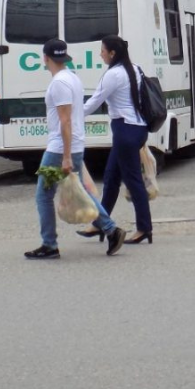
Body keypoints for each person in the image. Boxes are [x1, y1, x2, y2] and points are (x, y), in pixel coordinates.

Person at [25, 38, 124, 260]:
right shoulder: (72, 78)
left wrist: (66, 156)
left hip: (60, 148)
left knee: (43, 196)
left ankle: (49, 244)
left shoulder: (59, 83)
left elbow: (65, 120)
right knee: (83, 193)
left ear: (46, 58)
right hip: (73, 144)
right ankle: (111, 230)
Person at [81, 36, 153, 246]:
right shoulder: (135, 68)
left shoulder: (113, 74)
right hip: (137, 128)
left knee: (133, 181)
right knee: (111, 177)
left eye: (102, 50)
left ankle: (144, 228)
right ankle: (101, 223)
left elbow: (95, 100)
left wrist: (71, 116)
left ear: (112, 53)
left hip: (125, 130)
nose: (100, 53)